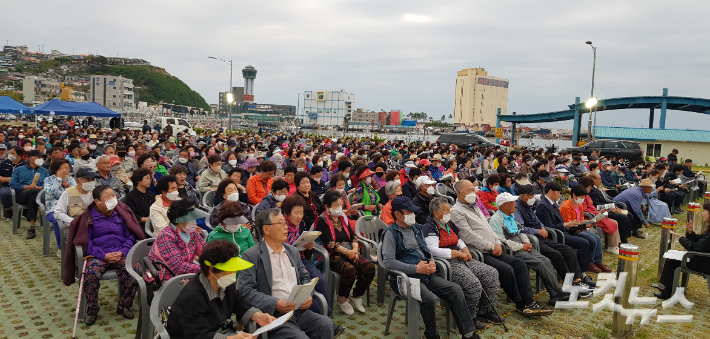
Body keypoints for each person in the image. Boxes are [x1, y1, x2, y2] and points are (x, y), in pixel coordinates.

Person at [381, 196, 482, 339]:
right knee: (428, 299)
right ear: (398, 214)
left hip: (425, 275)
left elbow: (426, 249)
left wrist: (432, 261)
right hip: (404, 279)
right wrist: (415, 268)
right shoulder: (391, 233)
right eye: (409, 212)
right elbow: (389, 262)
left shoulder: (415, 227)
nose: (413, 215)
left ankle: (468, 333)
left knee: (455, 289)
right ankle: (431, 335)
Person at [450, 179, 553, 317]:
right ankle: (521, 304)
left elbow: (488, 228)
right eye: (469, 190)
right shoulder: (456, 211)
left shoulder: (474, 206)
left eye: (473, 189)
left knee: (519, 264)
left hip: (493, 247)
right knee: (506, 269)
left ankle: (529, 302)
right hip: (478, 252)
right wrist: (491, 246)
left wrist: (497, 243)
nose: (473, 192)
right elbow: (468, 235)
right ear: (459, 193)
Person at [238, 208, 340, 339]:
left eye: (285, 223)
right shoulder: (252, 256)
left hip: (299, 311)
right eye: (280, 223)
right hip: (275, 316)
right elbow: (245, 291)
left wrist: (308, 295)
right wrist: (275, 304)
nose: (286, 227)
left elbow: (305, 277)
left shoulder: (292, 251)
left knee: (325, 324)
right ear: (266, 229)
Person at [62, 185, 145, 326]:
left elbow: (130, 236)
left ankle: (124, 305)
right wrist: (103, 255)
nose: (113, 199)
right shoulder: (88, 218)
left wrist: (122, 252)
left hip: (120, 253)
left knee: (135, 269)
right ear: (96, 201)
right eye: (108, 197)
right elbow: (85, 242)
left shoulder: (120, 214)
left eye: (113, 195)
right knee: (91, 274)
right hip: (98, 255)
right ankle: (92, 310)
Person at [165, 240, 273, 339]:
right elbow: (198, 335)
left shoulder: (226, 285)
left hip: (222, 333)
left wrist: (258, 316)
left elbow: (238, 303)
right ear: (212, 270)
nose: (233, 275)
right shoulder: (192, 297)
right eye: (229, 270)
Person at [422, 196, 502, 327]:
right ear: (436, 213)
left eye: (449, 210)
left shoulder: (448, 223)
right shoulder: (429, 227)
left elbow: (458, 239)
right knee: (473, 284)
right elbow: (432, 250)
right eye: (446, 210)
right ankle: (469, 317)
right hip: (445, 263)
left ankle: (487, 310)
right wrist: (456, 253)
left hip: (459, 257)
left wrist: (465, 249)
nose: (449, 213)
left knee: (491, 273)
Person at [489, 193, 570, 305]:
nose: (515, 204)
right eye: (512, 202)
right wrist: (522, 246)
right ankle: (557, 291)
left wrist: (526, 242)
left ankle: (554, 294)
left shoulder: (511, 217)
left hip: (523, 246)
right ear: (505, 205)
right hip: (513, 251)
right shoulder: (496, 220)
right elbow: (502, 241)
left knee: (545, 260)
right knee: (539, 263)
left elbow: (521, 232)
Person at [515, 184, 596, 289]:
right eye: (531, 195)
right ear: (524, 196)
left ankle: (578, 278)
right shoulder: (522, 207)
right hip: (536, 239)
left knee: (568, 250)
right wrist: (539, 231)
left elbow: (538, 222)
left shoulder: (532, 206)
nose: (534, 198)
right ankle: (570, 282)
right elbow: (521, 228)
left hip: (547, 234)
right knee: (558, 253)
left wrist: (543, 228)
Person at [317, 191, 375, 315]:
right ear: (327, 207)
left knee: (369, 266)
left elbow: (353, 236)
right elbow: (329, 243)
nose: (339, 208)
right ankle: (342, 298)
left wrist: (354, 250)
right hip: (332, 255)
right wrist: (347, 252)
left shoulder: (343, 218)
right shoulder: (322, 221)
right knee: (350, 270)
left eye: (340, 205)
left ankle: (356, 295)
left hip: (349, 250)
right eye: (336, 205)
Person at [282, 195, 330, 315]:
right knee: (307, 287)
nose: (299, 216)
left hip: (301, 260)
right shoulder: (280, 226)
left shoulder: (301, 224)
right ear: (287, 212)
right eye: (296, 213)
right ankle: (315, 315)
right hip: (286, 263)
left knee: (320, 280)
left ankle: (326, 313)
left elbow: (304, 250)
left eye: (301, 213)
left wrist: (308, 246)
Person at [655, 201, 710, 299]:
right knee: (672, 257)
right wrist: (691, 233)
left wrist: (681, 238)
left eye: (705, 210)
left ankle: (670, 291)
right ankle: (671, 287)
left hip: (704, 263)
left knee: (671, 261)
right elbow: (701, 241)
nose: (702, 213)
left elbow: (696, 248)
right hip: (703, 259)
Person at [148, 198, 208, 281]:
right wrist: (209, 269)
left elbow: (205, 251)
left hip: (187, 274)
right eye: (190, 219)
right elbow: (177, 267)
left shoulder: (192, 233)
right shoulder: (166, 236)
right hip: (169, 278)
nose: (194, 222)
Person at [577, 176, 621, 254]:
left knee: (614, 221)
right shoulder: (581, 196)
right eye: (589, 188)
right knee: (612, 223)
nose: (590, 189)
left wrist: (601, 211)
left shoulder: (587, 195)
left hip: (595, 213)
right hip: (590, 217)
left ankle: (614, 245)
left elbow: (593, 207)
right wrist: (598, 212)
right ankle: (612, 246)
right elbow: (585, 210)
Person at [10, 150, 49, 239]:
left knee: (33, 197)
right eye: (39, 157)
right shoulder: (19, 169)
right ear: (31, 158)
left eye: (41, 158)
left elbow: (47, 184)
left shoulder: (44, 171)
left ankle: (32, 226)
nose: (41, 159)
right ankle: (41, 211)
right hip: (22, 194)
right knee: (33, 193)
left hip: (38, 193)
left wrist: (40, 187)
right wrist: (26, 187)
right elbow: (12, 184)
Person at [586, 172, 634, 242]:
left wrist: (613, 206)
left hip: (606, 208)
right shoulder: (591, 190)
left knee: (628, 214)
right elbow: (596, 205)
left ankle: (626, 235)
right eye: (599, 179)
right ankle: (622, 239)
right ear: (593, 179)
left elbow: (604, 200)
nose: (601, 181)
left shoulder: (596, 188)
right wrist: (610, 208)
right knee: (623, 217)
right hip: (601, 211)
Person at [0, 146, 26, 220]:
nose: (9, 154)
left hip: (22, 186)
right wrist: (9, 179)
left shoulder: (25, 164)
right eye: (9, 152)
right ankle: (8, 210)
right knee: (4, 193)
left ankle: (25, 212)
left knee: (29, 193)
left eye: (12, 153)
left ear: (19, 155)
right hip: (7, 186)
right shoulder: (3, 164)